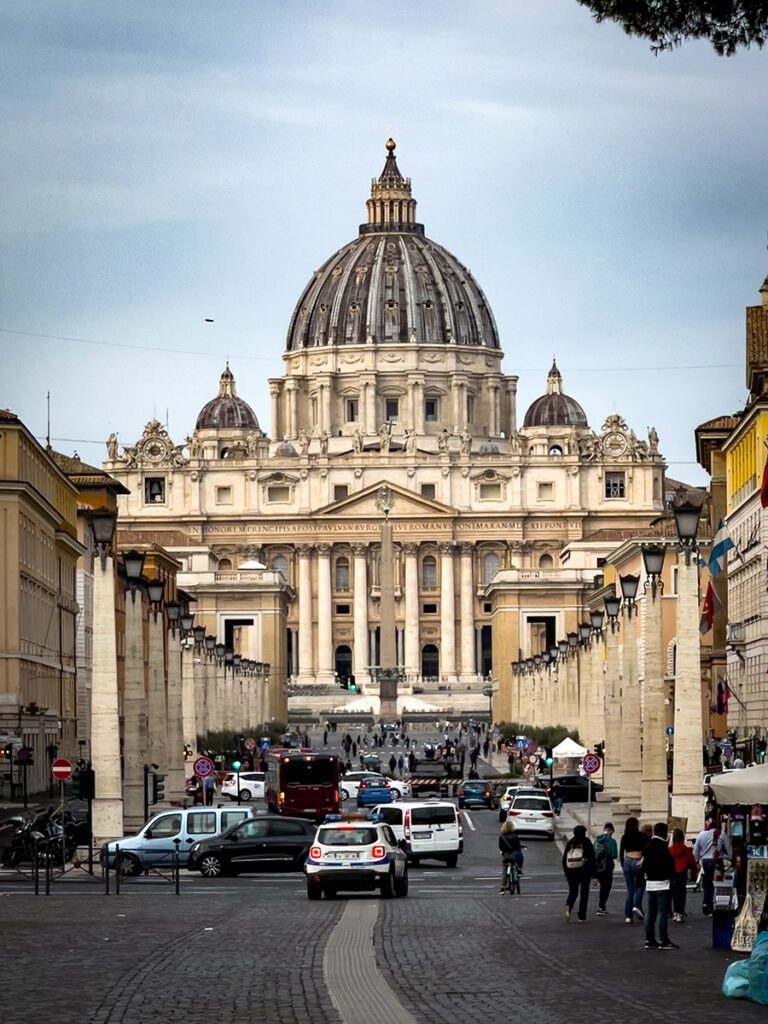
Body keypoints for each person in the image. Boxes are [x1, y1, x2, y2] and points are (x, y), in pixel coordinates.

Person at [641, 822, 678, 949]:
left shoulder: (648, 845)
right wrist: (672, 879)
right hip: (662, 883)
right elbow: (669, 865)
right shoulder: (662, 847)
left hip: (650, 883)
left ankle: (649, 939)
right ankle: (664, 940)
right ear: (664, 832)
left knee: (650, 912)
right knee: (662, 912)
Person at [693, 819, 733, 915]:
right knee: (718, 884)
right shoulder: (722, 834)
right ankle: (715, 905)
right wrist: (730, 858)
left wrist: (697, 861)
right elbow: (729, 850)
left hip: (706, 861)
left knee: (707, 883)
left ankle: (706, 903)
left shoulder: (701, 834)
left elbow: (696, 852)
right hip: (718, 862)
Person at [562, 824, 595, 922]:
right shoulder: (587, 842)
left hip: (571, 871)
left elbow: (564, 859)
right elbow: (592, 859)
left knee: (573, 892)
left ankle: (569, 905)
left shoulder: (570, 843)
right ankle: (582, 915)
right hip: (584, 872)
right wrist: (594, 875)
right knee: (584, 893)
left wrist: (566, 872)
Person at [620, 816, 648, 924]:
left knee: (630, 889)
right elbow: (646, 849)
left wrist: (623, 865)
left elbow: (621, 851)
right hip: (638, 860)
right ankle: (636, 906)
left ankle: (628, 916)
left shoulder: (625, 836)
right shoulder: (642, 836)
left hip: (627, 860)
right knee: (640, 885)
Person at [668, 827, 697, 923]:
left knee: (673, 893)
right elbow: (692, 863)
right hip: (682, 873)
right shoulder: (686, 850)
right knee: (681, 893)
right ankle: (680, 912)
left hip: (672, 873)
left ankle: (675, 912)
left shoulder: (669, 850)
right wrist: (694, 875)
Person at [593, 822, 618, 916]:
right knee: (606, 888)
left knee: (602, 887)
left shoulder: (597, 841)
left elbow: (593, 853)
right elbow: (614, 855)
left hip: (598, 867)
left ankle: (601, 907)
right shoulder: (612, 841)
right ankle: (601, 907)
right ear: (611, 831)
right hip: (607, 867)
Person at [498, 821, 524, 893]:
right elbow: (518, 847)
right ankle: (519, 869)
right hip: (514, 855)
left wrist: (503, 851)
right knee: (520, 859)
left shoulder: (502, 836)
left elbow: (500, 846)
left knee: (504, 870)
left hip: (506, 855)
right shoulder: (515, 836)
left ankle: (503, 887)